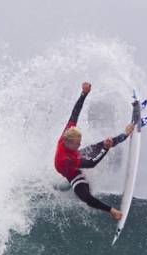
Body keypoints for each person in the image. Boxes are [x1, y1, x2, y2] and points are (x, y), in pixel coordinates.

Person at [54, 82, 135, 220]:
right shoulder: (66, 159)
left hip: (76, 157)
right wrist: (105, 149)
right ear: (68, 143)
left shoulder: (68, 132)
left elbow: (75, 113)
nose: (80, 144)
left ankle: (124, 135)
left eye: (80, 142)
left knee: (104, 143)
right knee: (87, 198)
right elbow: (91, 164)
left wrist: (84, 94)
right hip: (72, 173)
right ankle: (111, 211)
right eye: (77, 143)